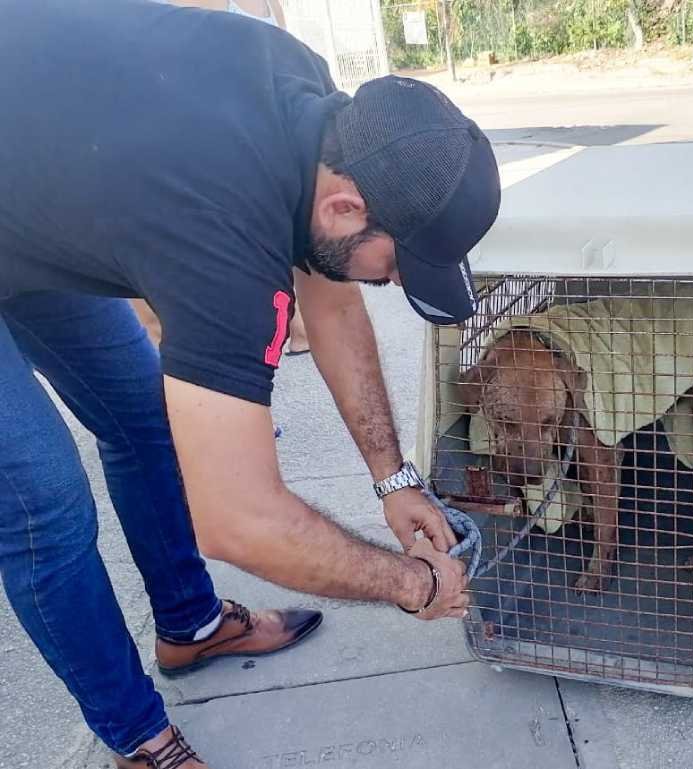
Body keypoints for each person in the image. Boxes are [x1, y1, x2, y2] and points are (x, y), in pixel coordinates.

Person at [0, 1, 500, 768]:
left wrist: (394, 479)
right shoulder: (221, 245)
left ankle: (190, 627)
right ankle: (137, 737)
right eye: (399, 267)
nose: (397, 283)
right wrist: (410, 583)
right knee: (45, 500)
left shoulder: (314, 104)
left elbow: (332, 300)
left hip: (32, 195)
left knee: (147, 422)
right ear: (345, 207)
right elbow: (238, 520)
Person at [131, 0, 312, 355]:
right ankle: (166, 358)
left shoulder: (267, 4)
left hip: (255, 150)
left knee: (273, 248)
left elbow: (286, 64)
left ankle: (290, 325)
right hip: (177, 155)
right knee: (161, 288)